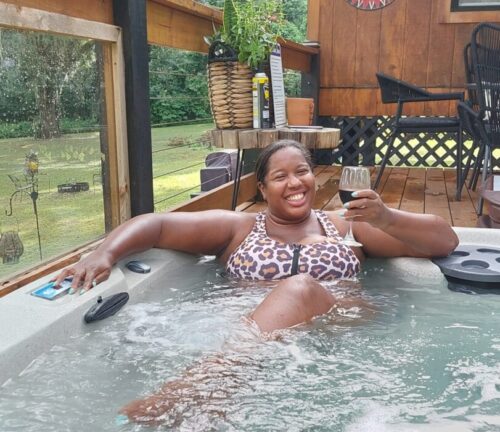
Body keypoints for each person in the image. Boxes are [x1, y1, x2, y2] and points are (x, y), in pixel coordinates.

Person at [55, 139, 458, 332]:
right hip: (247, 334)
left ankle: (201, 391)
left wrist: (385, 217)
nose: (295, 182)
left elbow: (445, 241)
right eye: (279, 176)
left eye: (301, 171)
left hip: (338, 327)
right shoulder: (240, 227)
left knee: (300, 287)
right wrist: (104, 254)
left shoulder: (346, 226)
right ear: (262, 190)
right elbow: (157, 224)